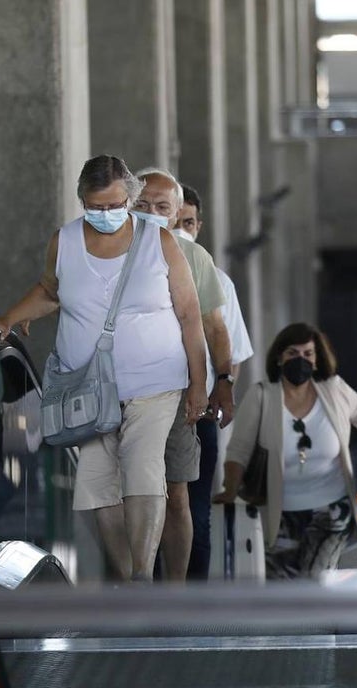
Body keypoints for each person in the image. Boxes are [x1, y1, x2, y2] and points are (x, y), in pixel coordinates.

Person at [0, 155, 207, 582]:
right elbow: (50, 290)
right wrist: (8, 319)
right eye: (95, 206)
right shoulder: (63, 241)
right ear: (82, 199)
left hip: (155, 383)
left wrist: (199, 383)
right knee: (100, 484)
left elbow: (190, 314)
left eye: (114, 205)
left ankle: (143, 573)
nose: (105, 214)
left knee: (143, 469)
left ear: (130, 198)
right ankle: (127, 580)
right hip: (86, 386)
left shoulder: (160, 242)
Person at [133, 167, 234, 582]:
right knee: (128, 496)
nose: (151, 213)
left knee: (177, 495)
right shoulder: (102, 248)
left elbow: (213, 326)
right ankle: (134, 585)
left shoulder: (194, 258)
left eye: (161, 207)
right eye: (142, 205)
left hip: (178, 395)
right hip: (120, 392)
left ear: (176, 215)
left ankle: (173, 594)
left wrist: (220, 382)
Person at [214, 323, 357, 580]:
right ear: (279, 358)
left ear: (317, 360)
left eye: (308, 354)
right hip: (280, 514)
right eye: (293, 353)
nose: (301, 360)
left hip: (331, 513)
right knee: (281, 587)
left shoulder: (335, 390)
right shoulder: (261, 397)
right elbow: (239, 450)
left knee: (316, 577)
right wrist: (230, 489)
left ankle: (322, 621)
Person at [176, 183, 254, 580]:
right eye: (174, 220)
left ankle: (192, 607)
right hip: (145, 408)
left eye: (188, 222)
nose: (180, 230)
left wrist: (219, 393)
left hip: (200, 412)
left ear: (199, 225)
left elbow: (232, 353)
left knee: (196, 512)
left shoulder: (219, 282)